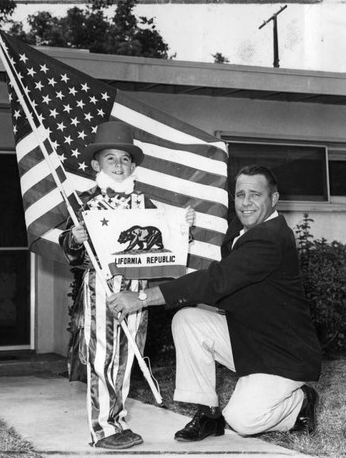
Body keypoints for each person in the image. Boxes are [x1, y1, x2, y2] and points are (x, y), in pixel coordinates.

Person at [108, 164, 322, 441]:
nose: (245, 203)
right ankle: (208, 416)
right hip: (250, 338)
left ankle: (300, 402)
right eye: (240, 194)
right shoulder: (243, 227)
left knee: (242, 421)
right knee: (188, 320)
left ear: (274, 198)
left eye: (255, 194)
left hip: (283, 354)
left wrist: (142, 298)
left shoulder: (271, 238)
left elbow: (215, 281)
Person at [59, 120, 194, 449]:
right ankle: (102, 429)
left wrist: (183, 226)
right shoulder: (85, 203)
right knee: (102, 356)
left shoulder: (144, 203)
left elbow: (165, 244)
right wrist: (74, 238)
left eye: (124, 159)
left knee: (126, 357)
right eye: (110, 159)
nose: (118, 166)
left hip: (136, 291)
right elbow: (69, 251)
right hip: (100, 290)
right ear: (96, 164)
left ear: (132, 165)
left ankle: (117, 421)